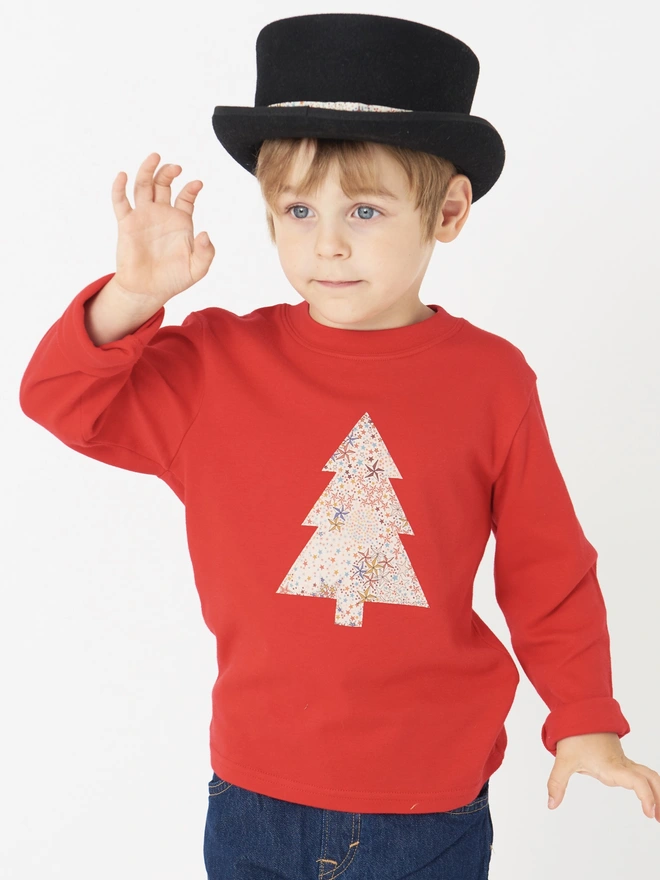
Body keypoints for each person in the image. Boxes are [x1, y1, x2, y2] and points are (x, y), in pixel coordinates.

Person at [18, 12, 659, 880]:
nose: (327, 242)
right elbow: (61, 400)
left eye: (364, 209)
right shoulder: (215, 363)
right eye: (298, 209)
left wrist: (584, 719)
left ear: (449, 210)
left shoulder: (491, 380)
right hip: (252, 795)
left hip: (430, 804)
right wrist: (132, 297)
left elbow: (548, 569)